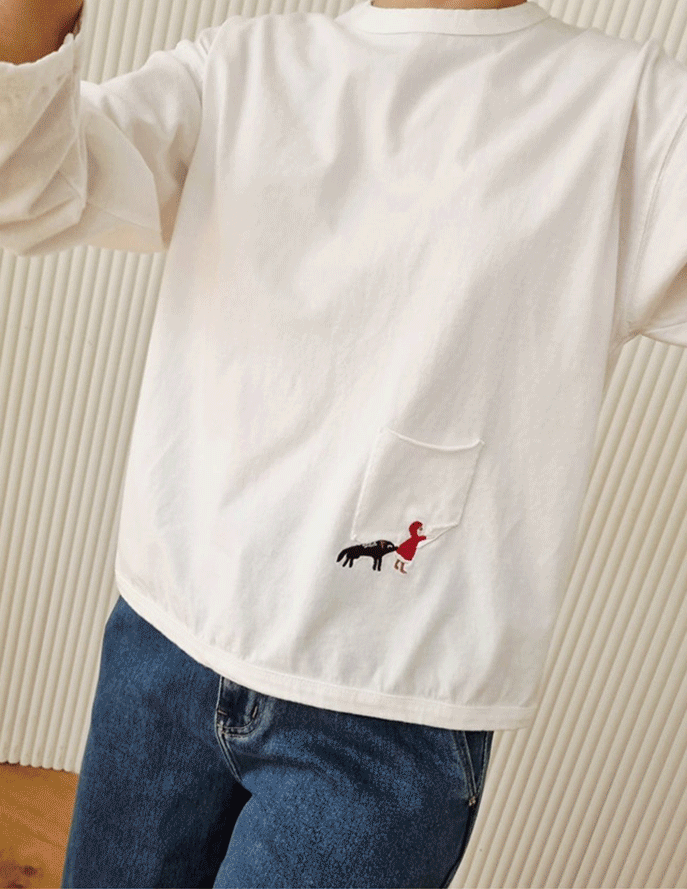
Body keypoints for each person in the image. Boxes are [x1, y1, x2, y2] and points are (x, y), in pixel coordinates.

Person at [2, 0, 687, 885]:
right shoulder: (241, 67)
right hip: (168, 643)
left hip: (391, 704)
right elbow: (31, 182)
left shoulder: (632, 116)